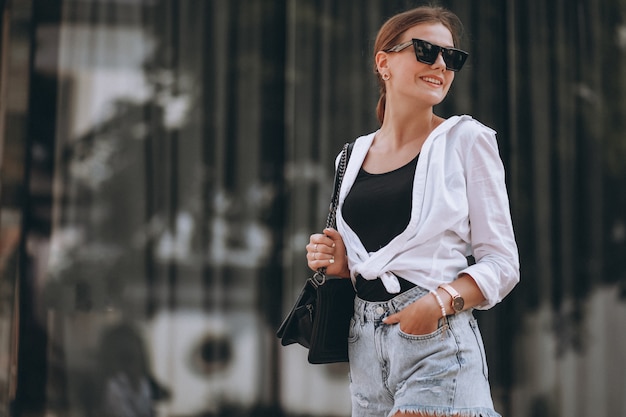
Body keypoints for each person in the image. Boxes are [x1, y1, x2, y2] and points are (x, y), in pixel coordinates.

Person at [306, 5, 520, 417]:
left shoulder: (466, 140)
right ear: (383, 62)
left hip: (435, 340)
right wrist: (336, 263)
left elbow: (503, 262)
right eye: (425, 51)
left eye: (451, 57)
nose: (441, 64)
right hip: (364, 351)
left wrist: (437, 304)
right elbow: (363, 264)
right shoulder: (349, 157)